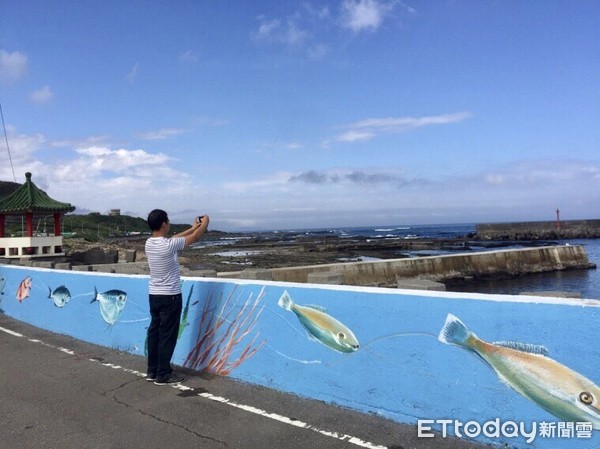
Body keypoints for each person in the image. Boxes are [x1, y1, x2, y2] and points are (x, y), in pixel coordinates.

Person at [145, 209, 209, 385]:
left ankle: (153, 370)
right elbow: (194, 238)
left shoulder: (150, 243)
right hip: (170, 297)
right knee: (167, 335)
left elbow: (173, 239)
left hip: (154, 295)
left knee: (155, 334)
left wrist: (192, 227)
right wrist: (204, 224)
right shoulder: (168, 246)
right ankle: (163, 374)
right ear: (164, 224)